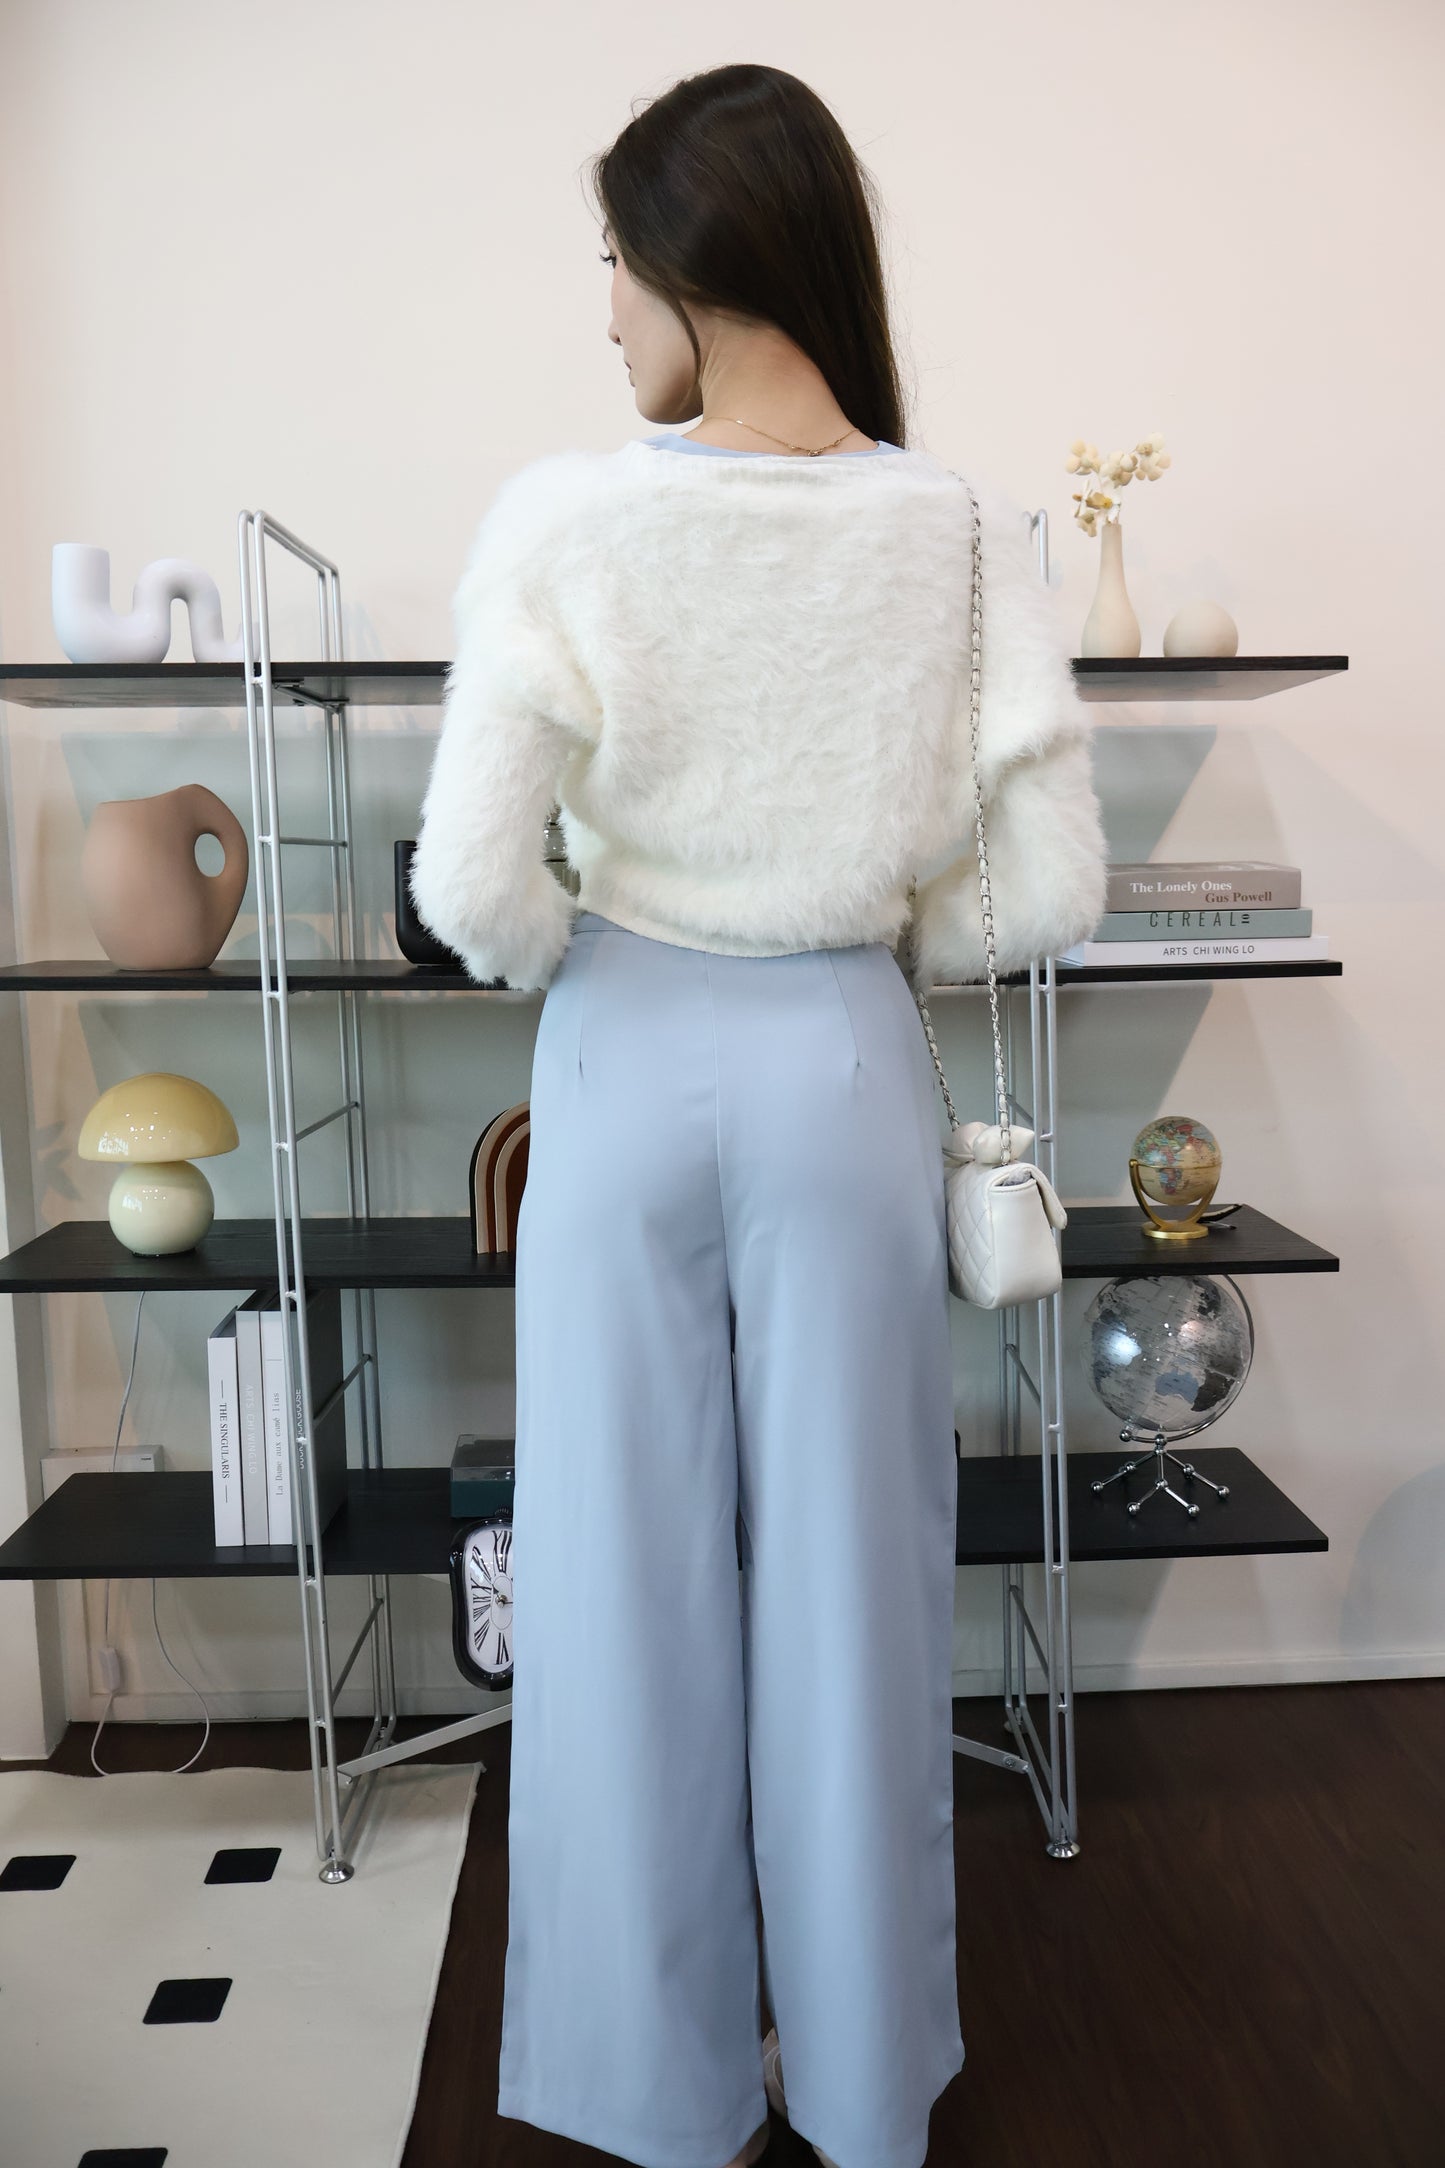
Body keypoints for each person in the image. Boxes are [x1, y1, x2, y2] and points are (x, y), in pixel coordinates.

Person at [408, 61, 1107, 2168]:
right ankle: (864, 2088)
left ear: (690, 264)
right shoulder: (961, 532)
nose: (607, 310)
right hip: (839, 1062)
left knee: (620, 1585)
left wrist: (596, 953)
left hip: (625, 1058)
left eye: (613, 265)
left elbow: (469, 889)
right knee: (856, 1594)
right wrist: (889, 928)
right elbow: (1044, 887)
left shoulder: (566, 517)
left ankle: (658, 2091)